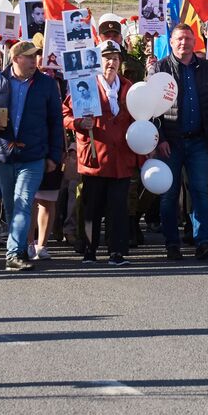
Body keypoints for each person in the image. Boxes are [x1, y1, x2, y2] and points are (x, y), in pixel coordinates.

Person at [0, 40, 63, 271]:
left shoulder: (47, 84)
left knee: (24, 202)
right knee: (12, 206)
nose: (34, 60)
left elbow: (56, 122)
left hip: (33, 155)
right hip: (4, 153)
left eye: (36, 56)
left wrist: (55, 156)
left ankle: (13, 254)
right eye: (29, 56)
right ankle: (20, 247)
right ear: (15, 59)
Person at [152, 24, 208, 261]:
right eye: (180, 39)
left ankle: (202, 241)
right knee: (169, 194)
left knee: (200, 192)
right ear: (171, 42)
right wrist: (160, 138)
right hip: (170, 143)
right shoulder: (160, 69)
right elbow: (150, 108)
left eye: (188, 39)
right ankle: (172, 244)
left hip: (199, 142)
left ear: (195, 42)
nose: (184, 43)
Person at [65, 41, 137, 265]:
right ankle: (89, 250)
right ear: (98, 61)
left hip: (121, 160)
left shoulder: (129, 87)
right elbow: (65, 114)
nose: (111, 63)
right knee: (92, 208)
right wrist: (78, 123)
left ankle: (116, 251)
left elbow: (138, 118)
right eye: (107, 58)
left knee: (118, 208)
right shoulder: (85, 85)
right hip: (95, 158)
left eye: (115, 59)